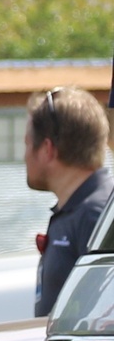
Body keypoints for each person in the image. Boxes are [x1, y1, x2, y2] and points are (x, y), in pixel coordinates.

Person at [25, 85, 113, 317]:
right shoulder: (79, 211)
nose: (24, 155)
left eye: (26, 143)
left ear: (47, 149)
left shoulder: (98, 216)